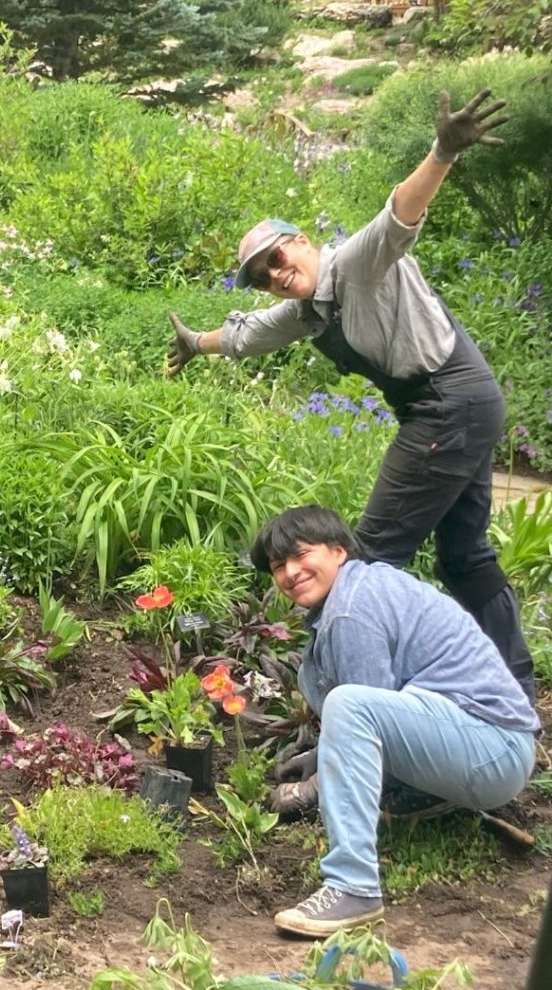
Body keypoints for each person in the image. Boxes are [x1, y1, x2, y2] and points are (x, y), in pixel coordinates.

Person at [167, 89, 535, 712]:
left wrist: (442, 150)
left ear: (303, 242)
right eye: (263, 275)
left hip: (448, 403)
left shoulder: (356, 263)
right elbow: (250, 333)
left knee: (366, 553)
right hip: (457, 405)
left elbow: (399, 214)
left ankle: (351, 698)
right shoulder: (307, 307)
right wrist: (195, 343)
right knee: (463, 554)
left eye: (278, 259)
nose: (276, 275)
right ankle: (511, 690)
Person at [249, 505, 538, 938]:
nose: (290, 572)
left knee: (349, 703)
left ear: (339, 551)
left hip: (492, 749)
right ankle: (428, 797)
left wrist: (310, 790)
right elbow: (383, 721)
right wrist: (319, 755)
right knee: (349, 705)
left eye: (301, 555)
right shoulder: (358, 591)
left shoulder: (351, 610)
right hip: (478, 744)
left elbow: (366, 717)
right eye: (278, 566)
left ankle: (353, 886)